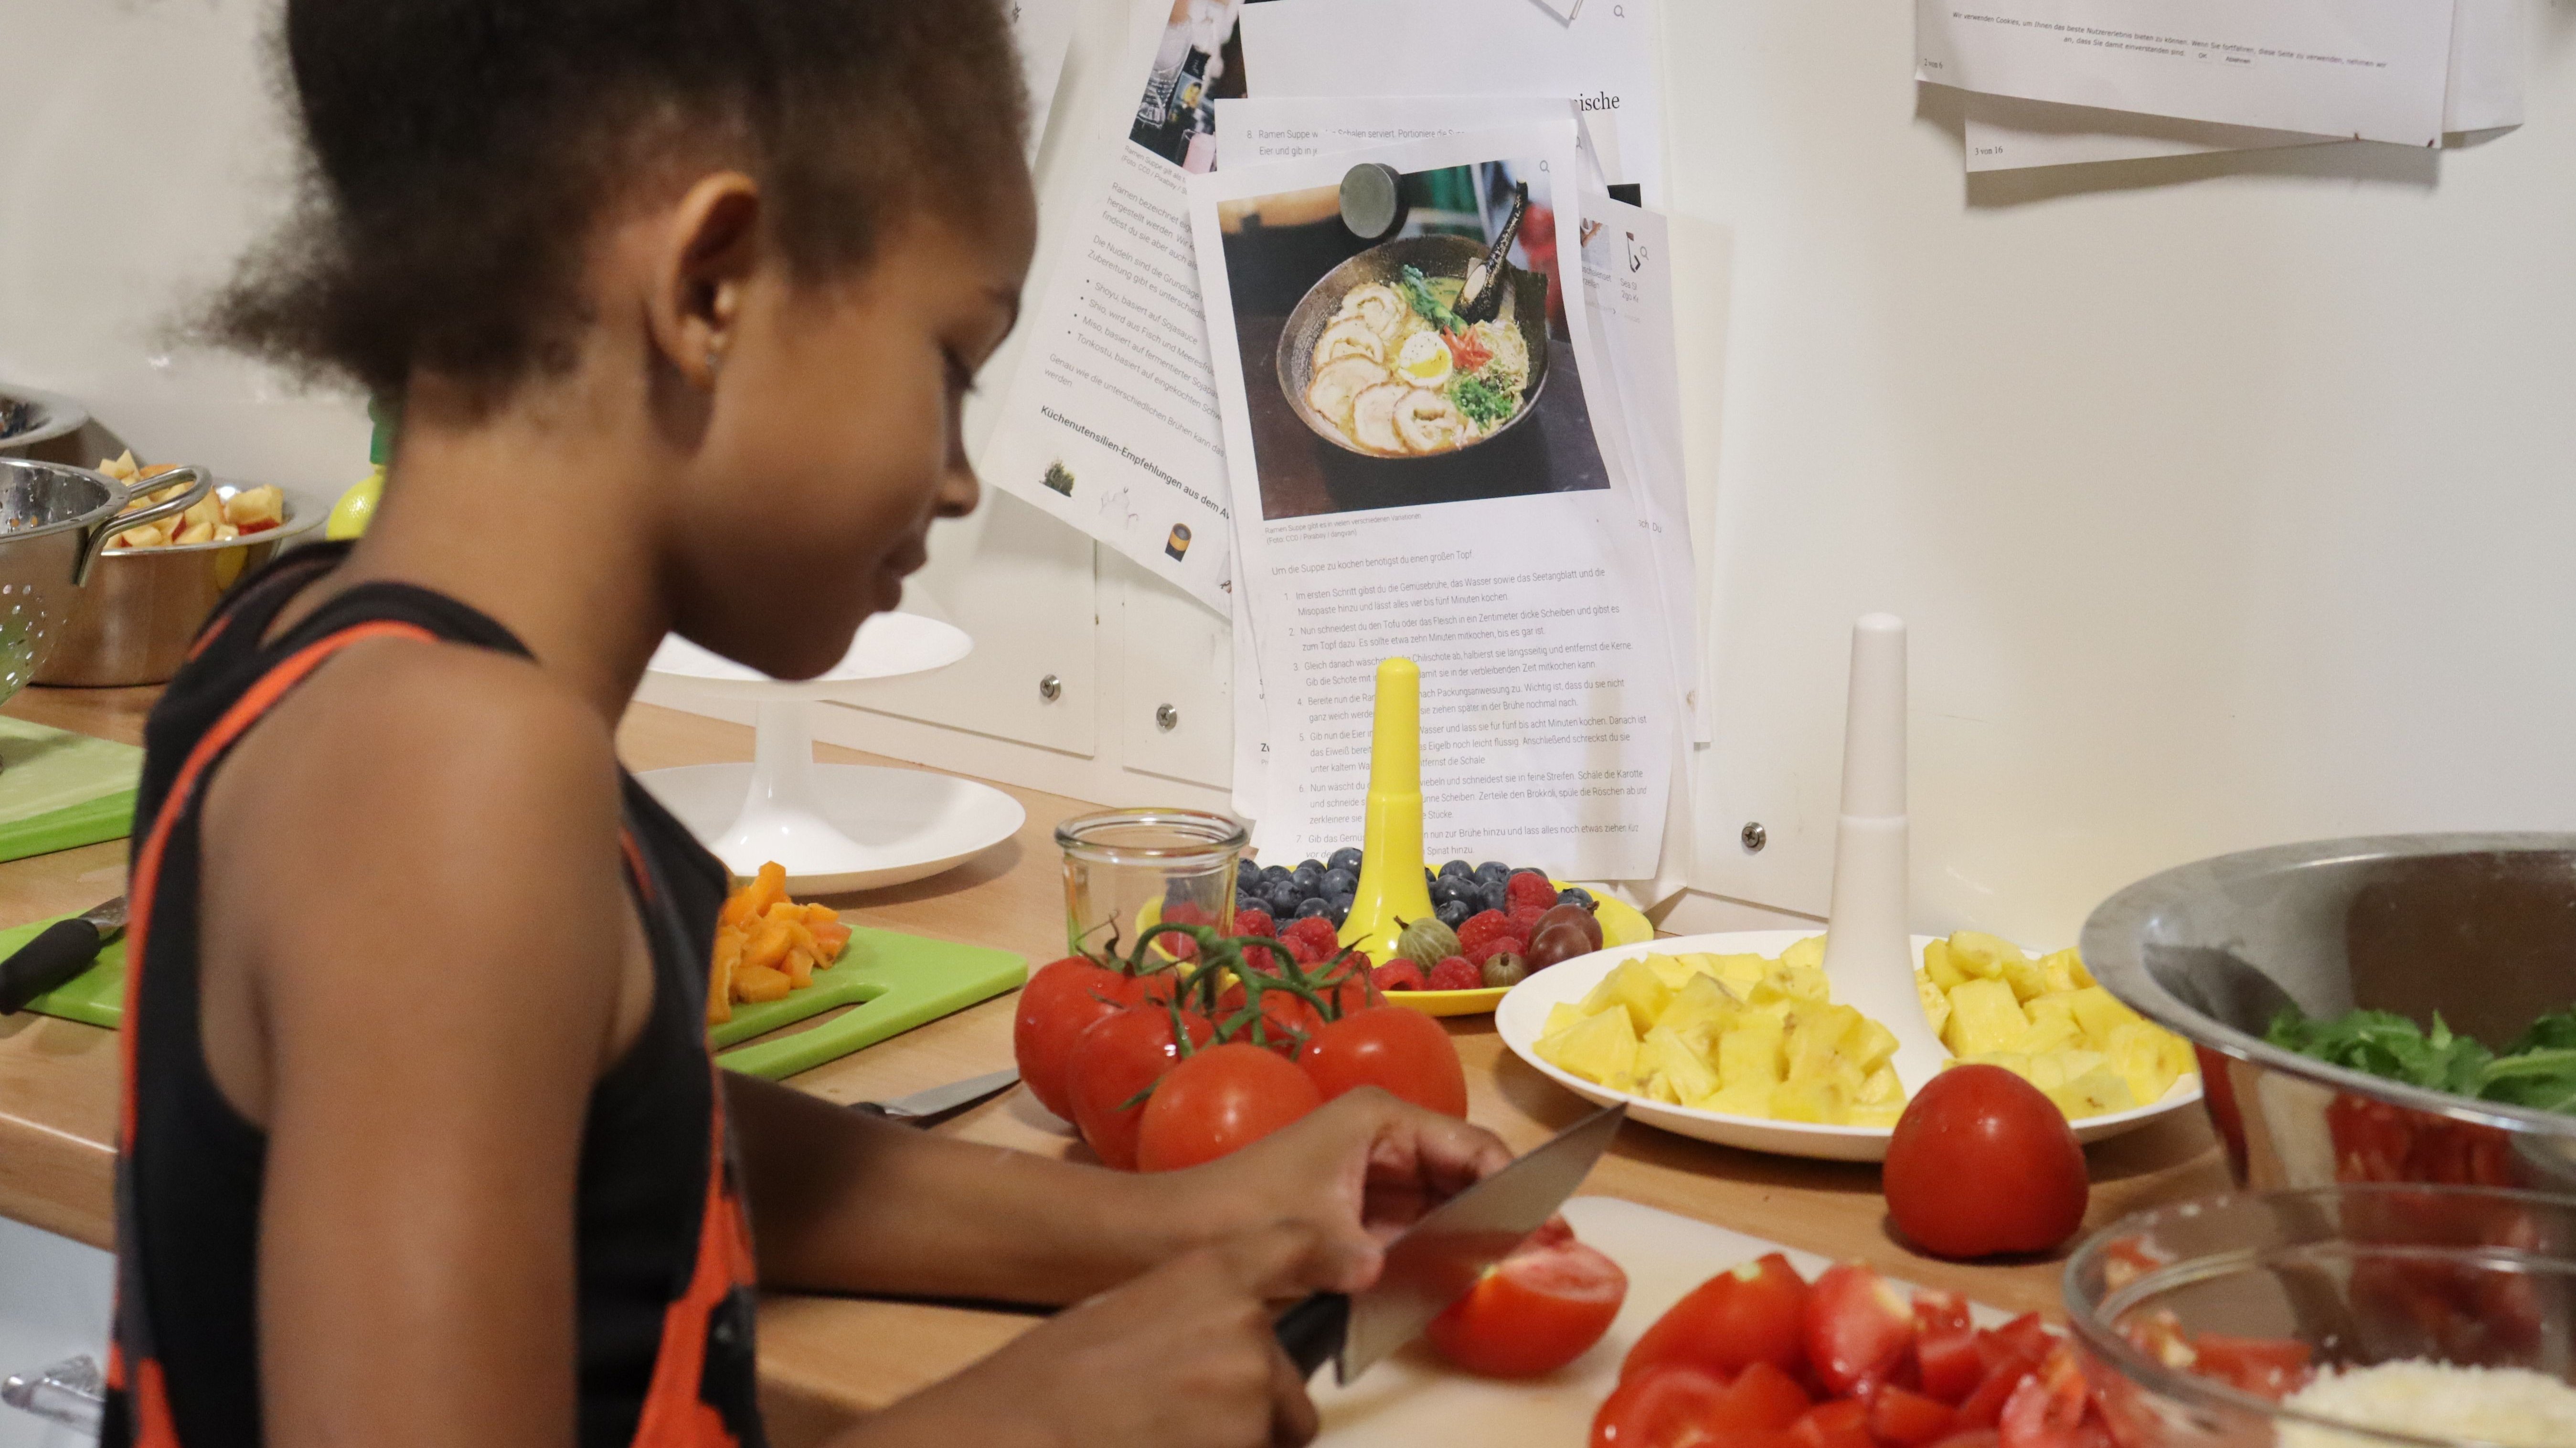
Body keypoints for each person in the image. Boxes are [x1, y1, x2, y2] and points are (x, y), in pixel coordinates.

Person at [107, 3, 1512, 1446]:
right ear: (711, 286)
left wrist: (1176, 1222)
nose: (961, 479)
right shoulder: (459, 779)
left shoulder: (306, 641)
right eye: (953, 363)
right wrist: (1023, 1423)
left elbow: (625, 1134)